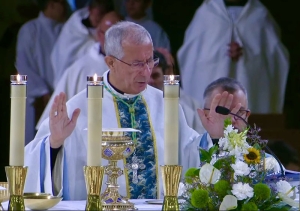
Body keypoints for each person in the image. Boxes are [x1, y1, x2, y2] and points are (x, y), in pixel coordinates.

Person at [24, 21, 243, 200]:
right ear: (111, 62)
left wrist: (214, 137)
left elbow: (187, 155)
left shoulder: (166, 104)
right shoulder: (79, 108)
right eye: (137, 63)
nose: (147, 71)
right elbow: (34, 165)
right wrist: (54, 144)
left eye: (150, 61)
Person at [177, 0, 289, 114]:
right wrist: (219, 53)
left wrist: (249, 54)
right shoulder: (206, 13)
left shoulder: (259, 14)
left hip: (251, 89)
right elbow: (191, 55)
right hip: (213, 82)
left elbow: (275, 57)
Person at [36, 11, 122, 129]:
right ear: (99, 34)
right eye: (107, 34)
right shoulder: (79, 69)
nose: (112, 41)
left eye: (118, 35)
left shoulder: (137, 66)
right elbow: (51, 123)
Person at [16, 0, 68, 145]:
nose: (65, 9)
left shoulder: (64, 30)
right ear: (51, 4)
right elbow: (23, 64)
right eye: (62, 4)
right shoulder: (30, 29)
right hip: (38, 97)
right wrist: (43, 91)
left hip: (60, 94)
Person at [51, 0, 114, 86]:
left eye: (101, 16)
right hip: (71, 70)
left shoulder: (106, 29)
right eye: (96, 15)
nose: (97, 19)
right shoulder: (74, 26)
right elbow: (63, 51)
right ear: (90, 10)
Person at [149, 50, 206, 134]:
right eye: (147, 76)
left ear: (166, 75)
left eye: (155, 76)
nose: (150, 81)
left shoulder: (188, 105)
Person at [198, 77, 250, 149]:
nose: (231, 120)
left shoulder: (265, 160)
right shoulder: (190, 155)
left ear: (247, 115)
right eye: (222, 112)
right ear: (205, 114)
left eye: (238, 112)